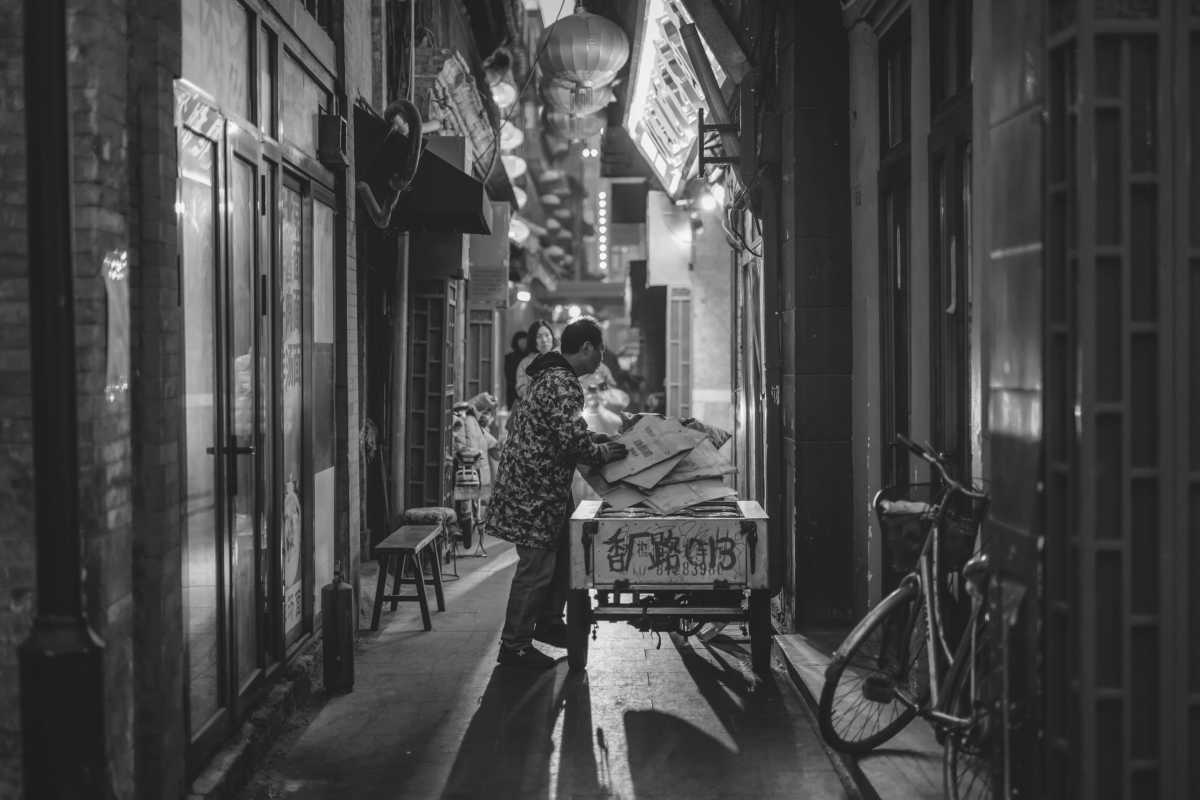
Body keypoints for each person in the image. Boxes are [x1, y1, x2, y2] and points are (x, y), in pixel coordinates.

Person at [482, 317, 628, 669]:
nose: (601, 359)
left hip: (546, 492)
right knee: (535, 570)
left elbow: (565, 431)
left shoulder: (553, 376)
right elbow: (571, 443)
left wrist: (596, 439)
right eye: (601, 350)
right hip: (533, 493)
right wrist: (604, 451)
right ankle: (514, 647)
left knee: (563, 557)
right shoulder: (562, 383)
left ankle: (547, 622)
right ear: (587, 348)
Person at [513, 320, 556, 404]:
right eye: (539, 337)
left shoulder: (562, 360)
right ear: (533, 340)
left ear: (552, 337)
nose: (544, 340)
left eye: (547, 335)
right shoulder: (525, 363)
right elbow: (521, 390)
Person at [502, 331, 527, 409]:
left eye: (525, 341)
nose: (523, 344)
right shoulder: (509, 357)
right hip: (512, 391)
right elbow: (508, 375)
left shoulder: (529, 357)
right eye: (521, 341)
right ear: (516, 342)